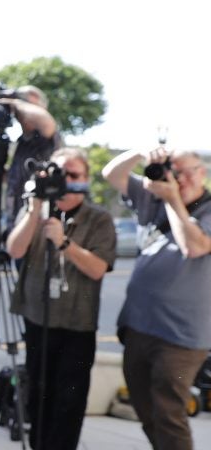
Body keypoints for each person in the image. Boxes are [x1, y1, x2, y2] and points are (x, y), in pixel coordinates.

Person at [6, 146, 116, 450]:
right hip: (38, 320)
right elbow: (14, 250)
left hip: (77, 325)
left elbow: (97, 269)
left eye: (73, 175)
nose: (65, 181)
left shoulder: (99, 219)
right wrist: (34, 209)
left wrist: (65, 242)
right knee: (38, 395)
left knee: (69, 400)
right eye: (58, 173)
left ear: (85, 179)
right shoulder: (36, 210)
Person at [102, 147, 211, 450]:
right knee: (144, 405)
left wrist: (173, 197)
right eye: (173, 171)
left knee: (169, 410)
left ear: (202, 173)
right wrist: (141, 152)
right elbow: (111, 174)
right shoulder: (155, 198)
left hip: (181, 336)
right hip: (140, 326)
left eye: (186, 171)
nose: (179, 179)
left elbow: (195, 246)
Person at [2, 85, 61, 234]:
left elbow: (44, 120)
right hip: (15, 217)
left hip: (38, 219)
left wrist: (14, 102)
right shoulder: (22, 142)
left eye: (24, 104)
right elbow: (11, 179)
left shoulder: (47, 133)